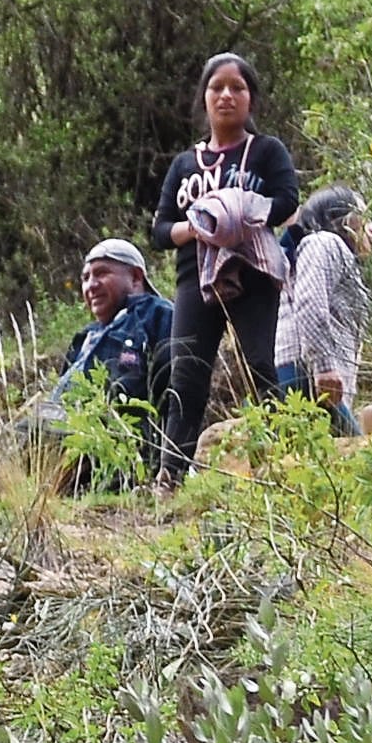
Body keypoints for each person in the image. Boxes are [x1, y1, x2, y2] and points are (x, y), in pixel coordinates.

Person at [152, 51, 305, 481]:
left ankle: (282, 467)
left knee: (261, 365)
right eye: (217, 87)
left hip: (254, 276)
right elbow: (160, 229)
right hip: (195, 281)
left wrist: (242, 211)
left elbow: (288, 200)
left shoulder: (266, 151)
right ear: (204, 98)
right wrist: (196, 229)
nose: (226, 96)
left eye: (237, 88)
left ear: (251, 99)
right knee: (187, 373)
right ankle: (171, 475)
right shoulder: (185, 165)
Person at [50, 237, 168, 480]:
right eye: (85, 278)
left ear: (136, 278)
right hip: (68, 437)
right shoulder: (85, 336)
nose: (91, 286)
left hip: (122, 449)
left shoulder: (158, 315)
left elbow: (176, 389)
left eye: (101, 273)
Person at [280, 186, 372, 433]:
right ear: (341, 220)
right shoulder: (323, 243)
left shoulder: (326, 249)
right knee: (358, 461)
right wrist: (324, 368)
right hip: (305, 378)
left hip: (306, 377)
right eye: (364, 218)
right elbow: (310, 303)